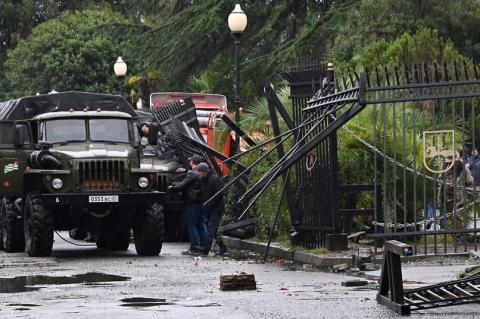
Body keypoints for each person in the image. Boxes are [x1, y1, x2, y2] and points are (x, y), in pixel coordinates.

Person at [169, 155, 207, 256]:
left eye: (190, 162)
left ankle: (194, 247)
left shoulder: (191, 173)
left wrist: (172, 187)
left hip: (192, 202)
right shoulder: (203, 173)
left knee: (191, 225)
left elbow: (183, 185)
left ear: (192, 162)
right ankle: (204, 246)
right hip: (201, 202)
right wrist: (185, 170)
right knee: (201, 224)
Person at [196, 163, 226, 255]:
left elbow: (219, 194)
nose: (198, 174)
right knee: (214, 230)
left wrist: (209, 204)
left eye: (199, 172)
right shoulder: (203, 179)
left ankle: (206, 249)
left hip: (216, 208)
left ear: (204, 172)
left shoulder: (215, 179)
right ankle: (223, 247)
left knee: (210, 228)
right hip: (209, 208)